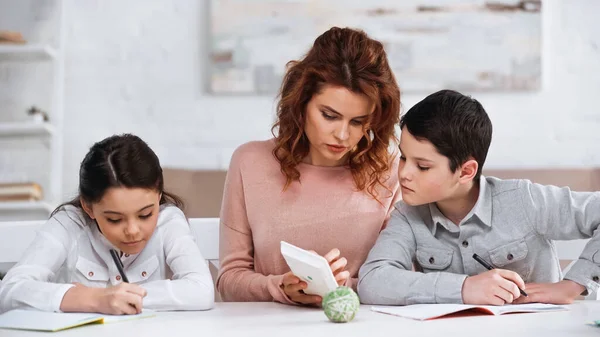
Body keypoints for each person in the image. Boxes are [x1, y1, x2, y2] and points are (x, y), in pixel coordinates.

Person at [358, 89, 599, 306]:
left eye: (422, 166)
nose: (404, 173)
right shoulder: (408, 216)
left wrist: (573, 285)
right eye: (403, 157)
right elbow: (373, 281)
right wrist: (463, 288)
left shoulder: (524, 201)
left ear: (466, 171)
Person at [216, 27, 402, 305]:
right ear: (302, 103)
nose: (342, 135)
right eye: (329, 116)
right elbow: (229, 279)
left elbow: (402, 278)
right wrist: (281, 287)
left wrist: (341, 286)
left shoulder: (390, 173)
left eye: (358, 122)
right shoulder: (250, 162)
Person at [0, 134, 214, 314]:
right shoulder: (69, 223)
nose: (132, 230)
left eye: (145, 214)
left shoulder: (168, 221)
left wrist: (118, 300)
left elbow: (202, 290)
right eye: (114, 219)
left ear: (158, 196)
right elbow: (9, 290)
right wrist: (93, 299)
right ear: (88, 207)